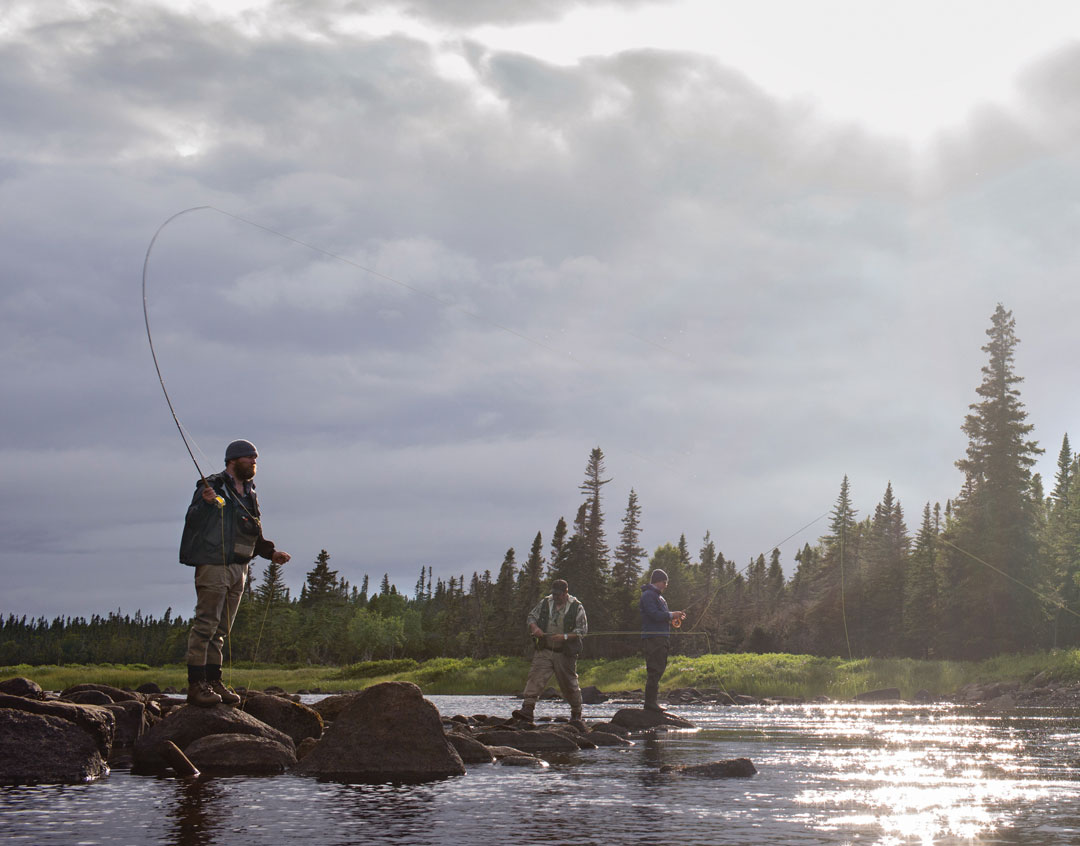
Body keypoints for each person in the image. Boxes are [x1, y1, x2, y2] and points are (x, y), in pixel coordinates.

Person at [179, 439, 290, 707]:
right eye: (249, 458)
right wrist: (206, 504)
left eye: (255, 459)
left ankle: (214, 681)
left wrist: (270, 553)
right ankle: (196, 686)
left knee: (221, 630)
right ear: (233, 460)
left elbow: (254, 530)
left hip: (240, 567)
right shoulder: (211, 486)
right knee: (205, 626)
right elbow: (192, 519)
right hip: (213, 564)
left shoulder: (250, 492)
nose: (254, 463)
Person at [513, 579, 588, 727]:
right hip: (544, 649)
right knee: (535, 678)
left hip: (565, 653)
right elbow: (531, 617)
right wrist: (535, 629)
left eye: (558, 594)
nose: (555, 597)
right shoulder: (545, 602)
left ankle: (576, 713)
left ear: (566, 592)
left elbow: (582, 630)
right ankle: (527, 709)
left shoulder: (576, 607)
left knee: (569, 684)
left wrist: (564, 637)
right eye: (554, 593)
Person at [639, 568, 686, 712]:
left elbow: (661, 616)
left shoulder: (659, 597)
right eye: (665, 582)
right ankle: (650, 703)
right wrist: (672, 615)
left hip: (661, 638)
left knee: (659, 668)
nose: (666, 585)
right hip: (653, 638)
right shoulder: (648, 595)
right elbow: (654, 614)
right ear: (658, 581)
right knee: (654, 669)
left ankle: (652, 702)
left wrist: (673, 618)